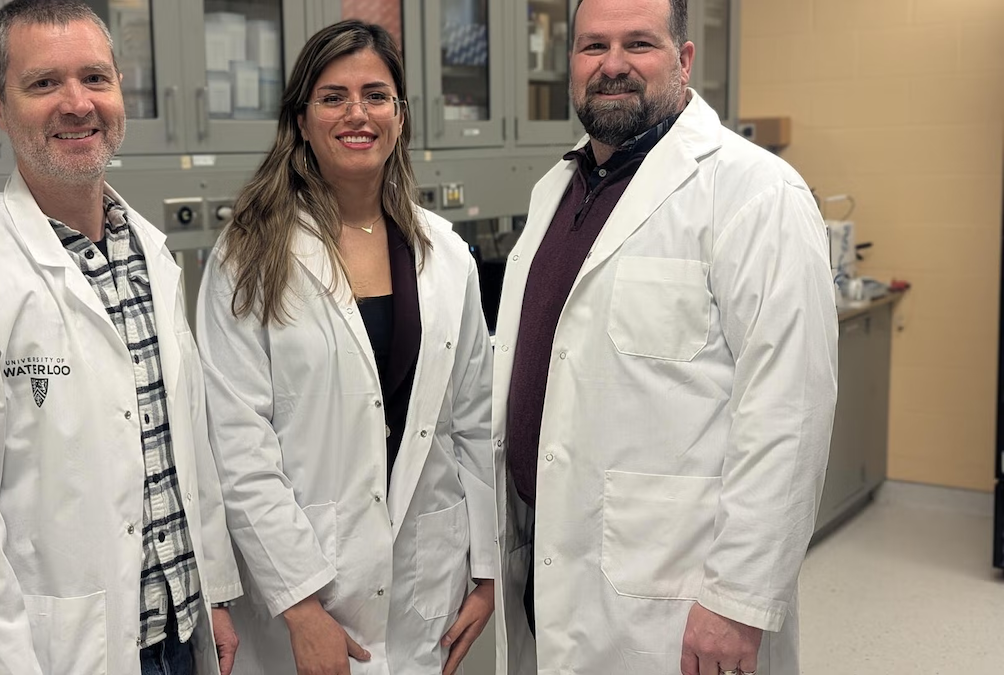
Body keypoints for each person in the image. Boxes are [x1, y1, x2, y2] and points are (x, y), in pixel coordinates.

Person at [0, 1, 241, 673]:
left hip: (181, 638)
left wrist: (215, 592)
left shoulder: (151, 256)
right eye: (44, 83)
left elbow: (185, 446)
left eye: (95, 79)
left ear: (120, 92)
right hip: (57, 656)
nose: (77, 104)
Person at [490, 0, 839, 674]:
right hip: (552, 575)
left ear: (683, 60)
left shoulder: (755, 193)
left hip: (677, 605)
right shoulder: (553, 192)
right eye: (593, 46)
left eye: (638, 44)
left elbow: (789, 414)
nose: (611, 65)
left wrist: (739, 599)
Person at [195, 19, 496, 675]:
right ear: (301, 120)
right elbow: (236, 442)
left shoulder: (446, 255)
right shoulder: (248, 254)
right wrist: (301, 605)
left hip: (427, 588)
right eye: (333, 97)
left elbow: (474, 419)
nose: (357, 113)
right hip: (306, 590)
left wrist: (488, 568)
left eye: (376, 95)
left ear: (400, 115)